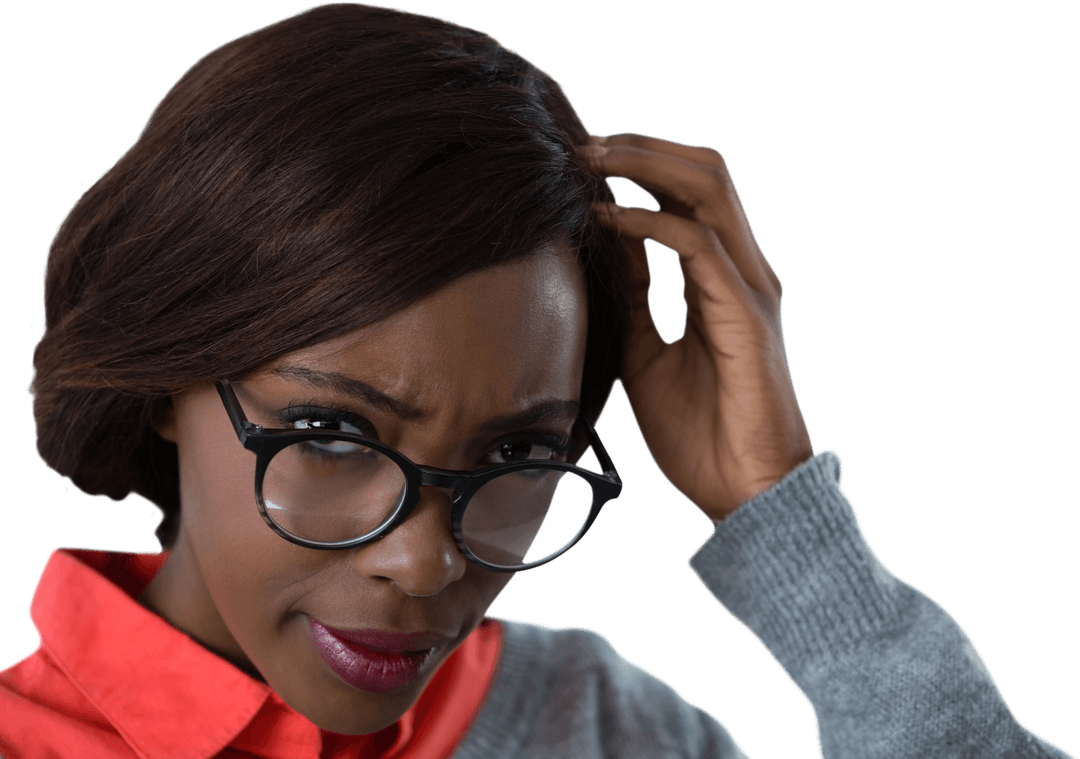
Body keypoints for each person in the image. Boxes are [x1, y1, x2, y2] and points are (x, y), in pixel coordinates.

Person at [1, 3, 1074, 758]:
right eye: (331, 433)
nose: (424, 567)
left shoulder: (601, 728)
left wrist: (783, 519)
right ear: (160, 382)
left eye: (517, 457)